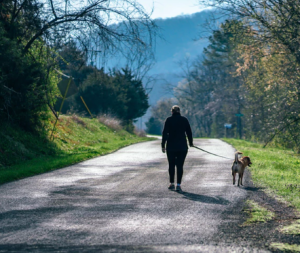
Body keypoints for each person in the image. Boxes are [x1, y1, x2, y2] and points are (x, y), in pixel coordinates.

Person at [161, 105, 193, 192]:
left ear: (172, 112)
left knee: (171, 165)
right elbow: (189, 132)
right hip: (182, 147)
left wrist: (163, 145)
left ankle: (171, 183)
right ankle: (178, 185)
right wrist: (191, 143)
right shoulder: (184, 120)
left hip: (171, 147)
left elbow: (165, 134)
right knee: (180, 166)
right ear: (179, 111)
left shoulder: (168, 120)